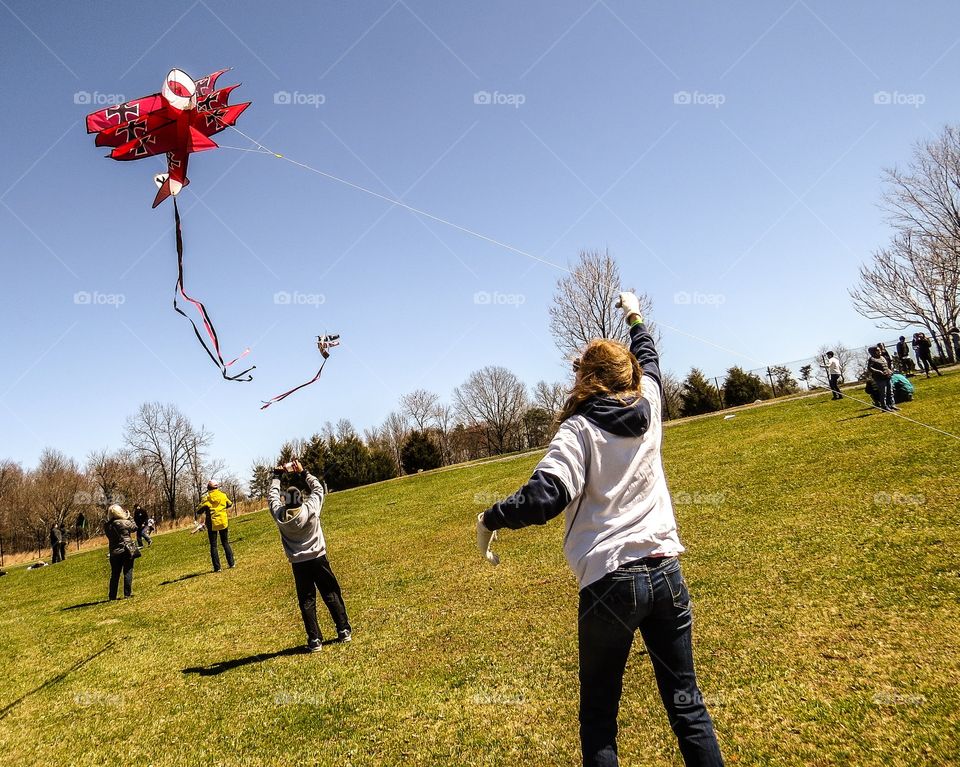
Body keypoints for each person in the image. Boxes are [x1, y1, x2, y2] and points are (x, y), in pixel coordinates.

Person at [476, 292, 724, 767]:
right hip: (666, 572)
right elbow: (649, 355)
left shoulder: (578, 430)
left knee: (599, 719)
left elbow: (545, 496)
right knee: (686, 702)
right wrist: (634, 314)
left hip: (610, 582)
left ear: (587, 379)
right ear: (629, 375)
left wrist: (489, 518)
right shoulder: (649, 403)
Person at [268, 460, 352, 652]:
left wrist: (276, 477)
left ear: (285, 502)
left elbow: (272, 497)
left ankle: (314, 640)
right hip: (318, 558)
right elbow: (318, 489)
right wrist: (304, 472)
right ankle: (343, 630)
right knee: (331, 593)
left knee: (307, 601)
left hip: (298, 563)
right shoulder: (310, 508)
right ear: (301, 500)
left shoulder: (280, 515)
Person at [195, 480, 235, 572]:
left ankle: (217, 568)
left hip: (212, 523)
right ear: (217, 487)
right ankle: (231, 563)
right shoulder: (223, 495)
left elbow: (199, 510)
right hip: (223, 522)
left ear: (208, 488)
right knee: (225, 542)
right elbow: (230, 504)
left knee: (214, 545)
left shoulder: (207, 498)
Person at [105, 504, 137, 599]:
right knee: (127, 571)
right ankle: (127, 594)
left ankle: (112, 595)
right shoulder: (125, 522)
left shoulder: (107, 526)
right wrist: (129, 517)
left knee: (115, 574)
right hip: (126, 550)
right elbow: (134, 528)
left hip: (114, 552)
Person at [866, 346, 896, 411]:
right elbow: (870, 368)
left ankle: (892, 405)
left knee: (890, 391)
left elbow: (886, 366)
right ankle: (884, 406)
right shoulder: (872, 359)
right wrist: (879, 372)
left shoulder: (882, 357)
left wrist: (890, 371)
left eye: (879, 350)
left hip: (887, 376)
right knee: (883, 393)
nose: (879, 351)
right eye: (877, 351)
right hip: (880, 378)